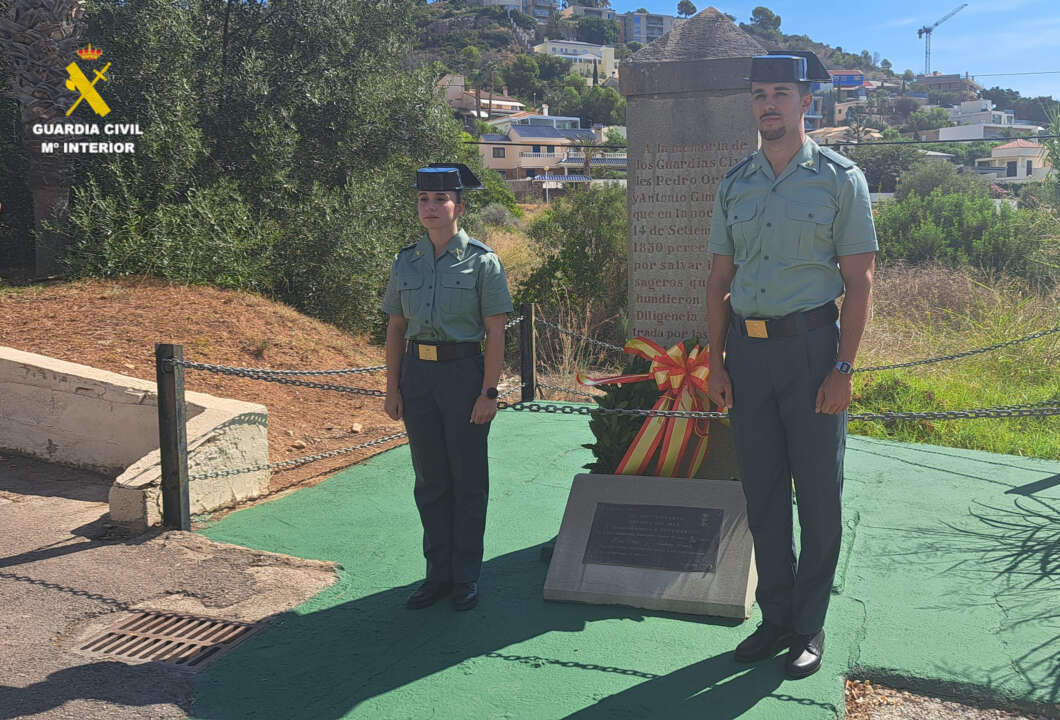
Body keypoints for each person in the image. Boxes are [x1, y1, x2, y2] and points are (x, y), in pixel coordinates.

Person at [705, 52, 878, 679]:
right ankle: (775, 615)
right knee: (764, 491)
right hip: (746, 356)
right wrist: (715, 361)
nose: (768, 104)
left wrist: (843, 368)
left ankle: (809, 624)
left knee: (818, 494)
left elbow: (859, 283)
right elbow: (719, 279)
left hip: (811, 354)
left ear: (808, 102)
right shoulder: (735, 183)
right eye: (759, 94)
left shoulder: (839, 179)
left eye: (781, 92)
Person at [381, 163, 514, 612]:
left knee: (468, 480)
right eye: (423, 200)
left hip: (463, 376)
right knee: (431, 480)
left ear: (459, 205)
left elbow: (495, 332)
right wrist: (392, 388)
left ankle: (465, 577)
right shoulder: (406, 260)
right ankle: (436, 575)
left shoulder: (482, 260)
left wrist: (488, 392)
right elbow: (396, 328)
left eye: (440, 200)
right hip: (418, 377)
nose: (430, 207)